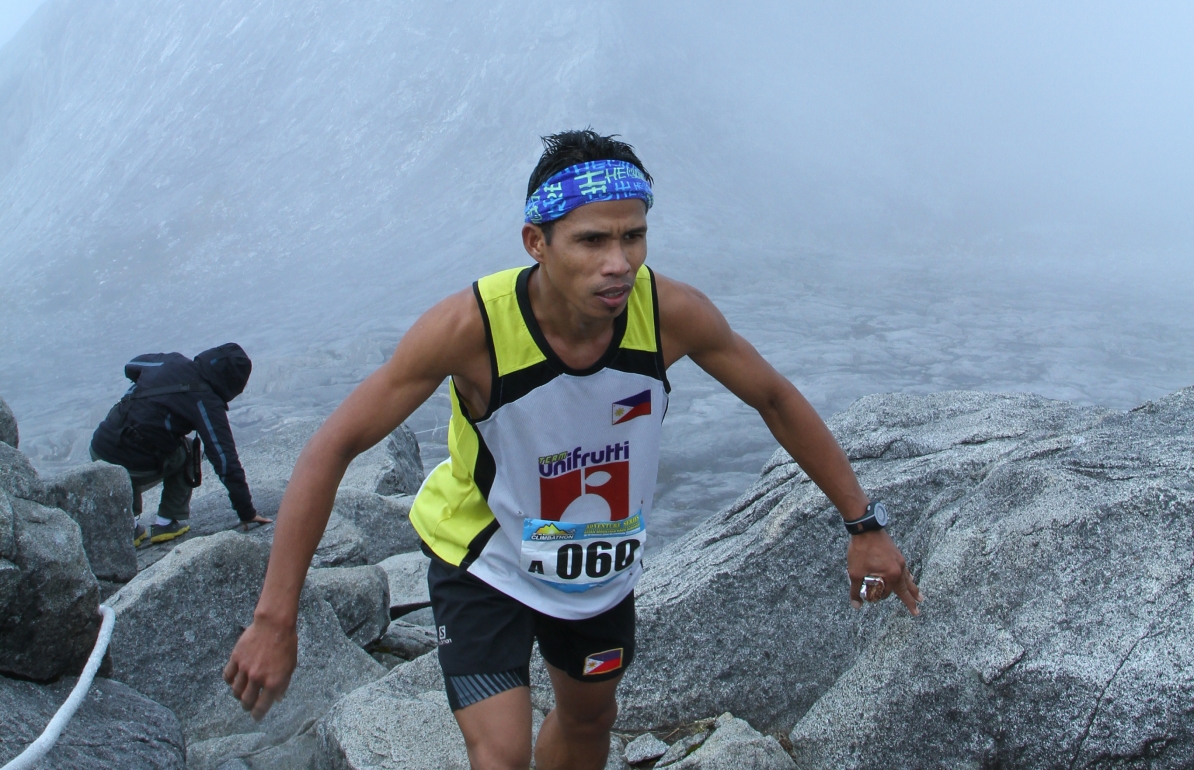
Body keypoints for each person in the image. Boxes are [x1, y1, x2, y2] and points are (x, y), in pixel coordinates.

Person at [222, 130, 923, 770]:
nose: (619, 264)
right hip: (482, 558)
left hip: (594, 566)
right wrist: (276, 617)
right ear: (538, 242)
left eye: (634, 237)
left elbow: (774, 399)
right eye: (592, 241)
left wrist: (865, 525)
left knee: (589, 723)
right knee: (501, 755)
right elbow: (332, 446)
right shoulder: (469, 330)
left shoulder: (671, 313)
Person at [90, 343, 272, 545]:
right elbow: (225, 459)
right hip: (132, 464)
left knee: (138, 443)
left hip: (99, 447)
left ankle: (130, 526)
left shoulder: (170, 361)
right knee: (187, 450)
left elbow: (131, 365)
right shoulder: (206, 402)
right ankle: (165, 522)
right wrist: (246, 511)